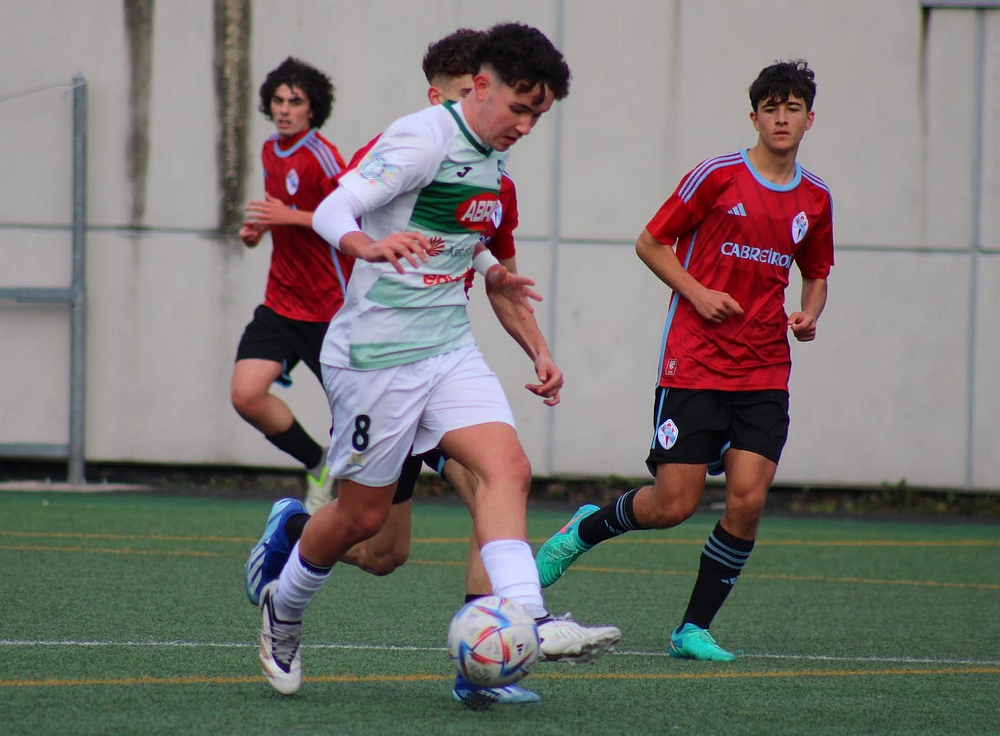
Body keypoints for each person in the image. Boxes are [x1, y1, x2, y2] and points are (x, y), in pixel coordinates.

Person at [253, 22, 620, 699]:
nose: (526, 126)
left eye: (538, 116)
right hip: (376, 356)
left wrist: (494, 275)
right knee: (364, 523)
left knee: (507, 470)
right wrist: (364, 245)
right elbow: (336, 207)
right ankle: (286, 605)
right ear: (480, 86)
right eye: (519, 108)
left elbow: (460, 232)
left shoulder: (493, 161)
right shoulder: (422, 138)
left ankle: (530, 617)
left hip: (447, 348)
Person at [535, 59, 834, 661]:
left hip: (764, 369)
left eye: (793, 108)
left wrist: (809, 313)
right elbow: (651, 242)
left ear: (809, 119)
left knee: (748, 499)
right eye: (771, 108)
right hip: (694, 362)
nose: (781, 118)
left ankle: (692, 629)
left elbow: (817, 272)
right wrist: (697, 293)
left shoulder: (816, 198)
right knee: (673, 504)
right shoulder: (717, 177)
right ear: (753, 117)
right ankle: (583, 529)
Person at [231, 57, 352, 515]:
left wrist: (289, 216)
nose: (284, 110)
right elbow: (280, 213)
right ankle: (318, 464)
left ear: (312, 108)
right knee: (246, 395)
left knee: (354, 416)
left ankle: (361, 507)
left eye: (295, 102)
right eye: (278, 101)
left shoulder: (322, 155)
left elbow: (350, 216)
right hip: (281, 302)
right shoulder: (270, 150)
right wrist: (260, 229)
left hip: (330, 309)